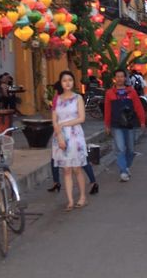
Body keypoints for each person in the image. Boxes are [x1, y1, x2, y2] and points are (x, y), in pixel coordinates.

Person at [48, 80, 99, 196]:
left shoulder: (58, 99)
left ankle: (57, 182)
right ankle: (92, 181)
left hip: (65, 134)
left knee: (58, 160)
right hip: (73, 134)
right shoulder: (72, 98)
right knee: (81, 160)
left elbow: (55, 118)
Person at [51, 70, 88, 211]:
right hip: (60, 136)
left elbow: (81, 118)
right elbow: (54, 120)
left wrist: (63, 124)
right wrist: (59, 134)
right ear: (61, 83)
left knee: (77, 168)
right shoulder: (57, 99)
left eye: (70, 80)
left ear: (73, 82)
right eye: (64, 80)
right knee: (66, 170)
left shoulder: (78, 98)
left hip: (75, 135)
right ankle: (70, 200)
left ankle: (82, 196)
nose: (67, 83)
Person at [104, 69, 146, 182]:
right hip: (116, 124)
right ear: (114, 78)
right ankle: (123, 171)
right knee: (121, 148)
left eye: (122, 76)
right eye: (117, 76)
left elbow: (138, 107)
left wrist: (142, 121)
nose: (119, 79)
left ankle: (126, 166)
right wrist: (107, 125)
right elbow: (107, 110)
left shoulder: (131, 92)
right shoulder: (109, 93)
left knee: (131, 150)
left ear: (125, 78)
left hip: (130, 124)